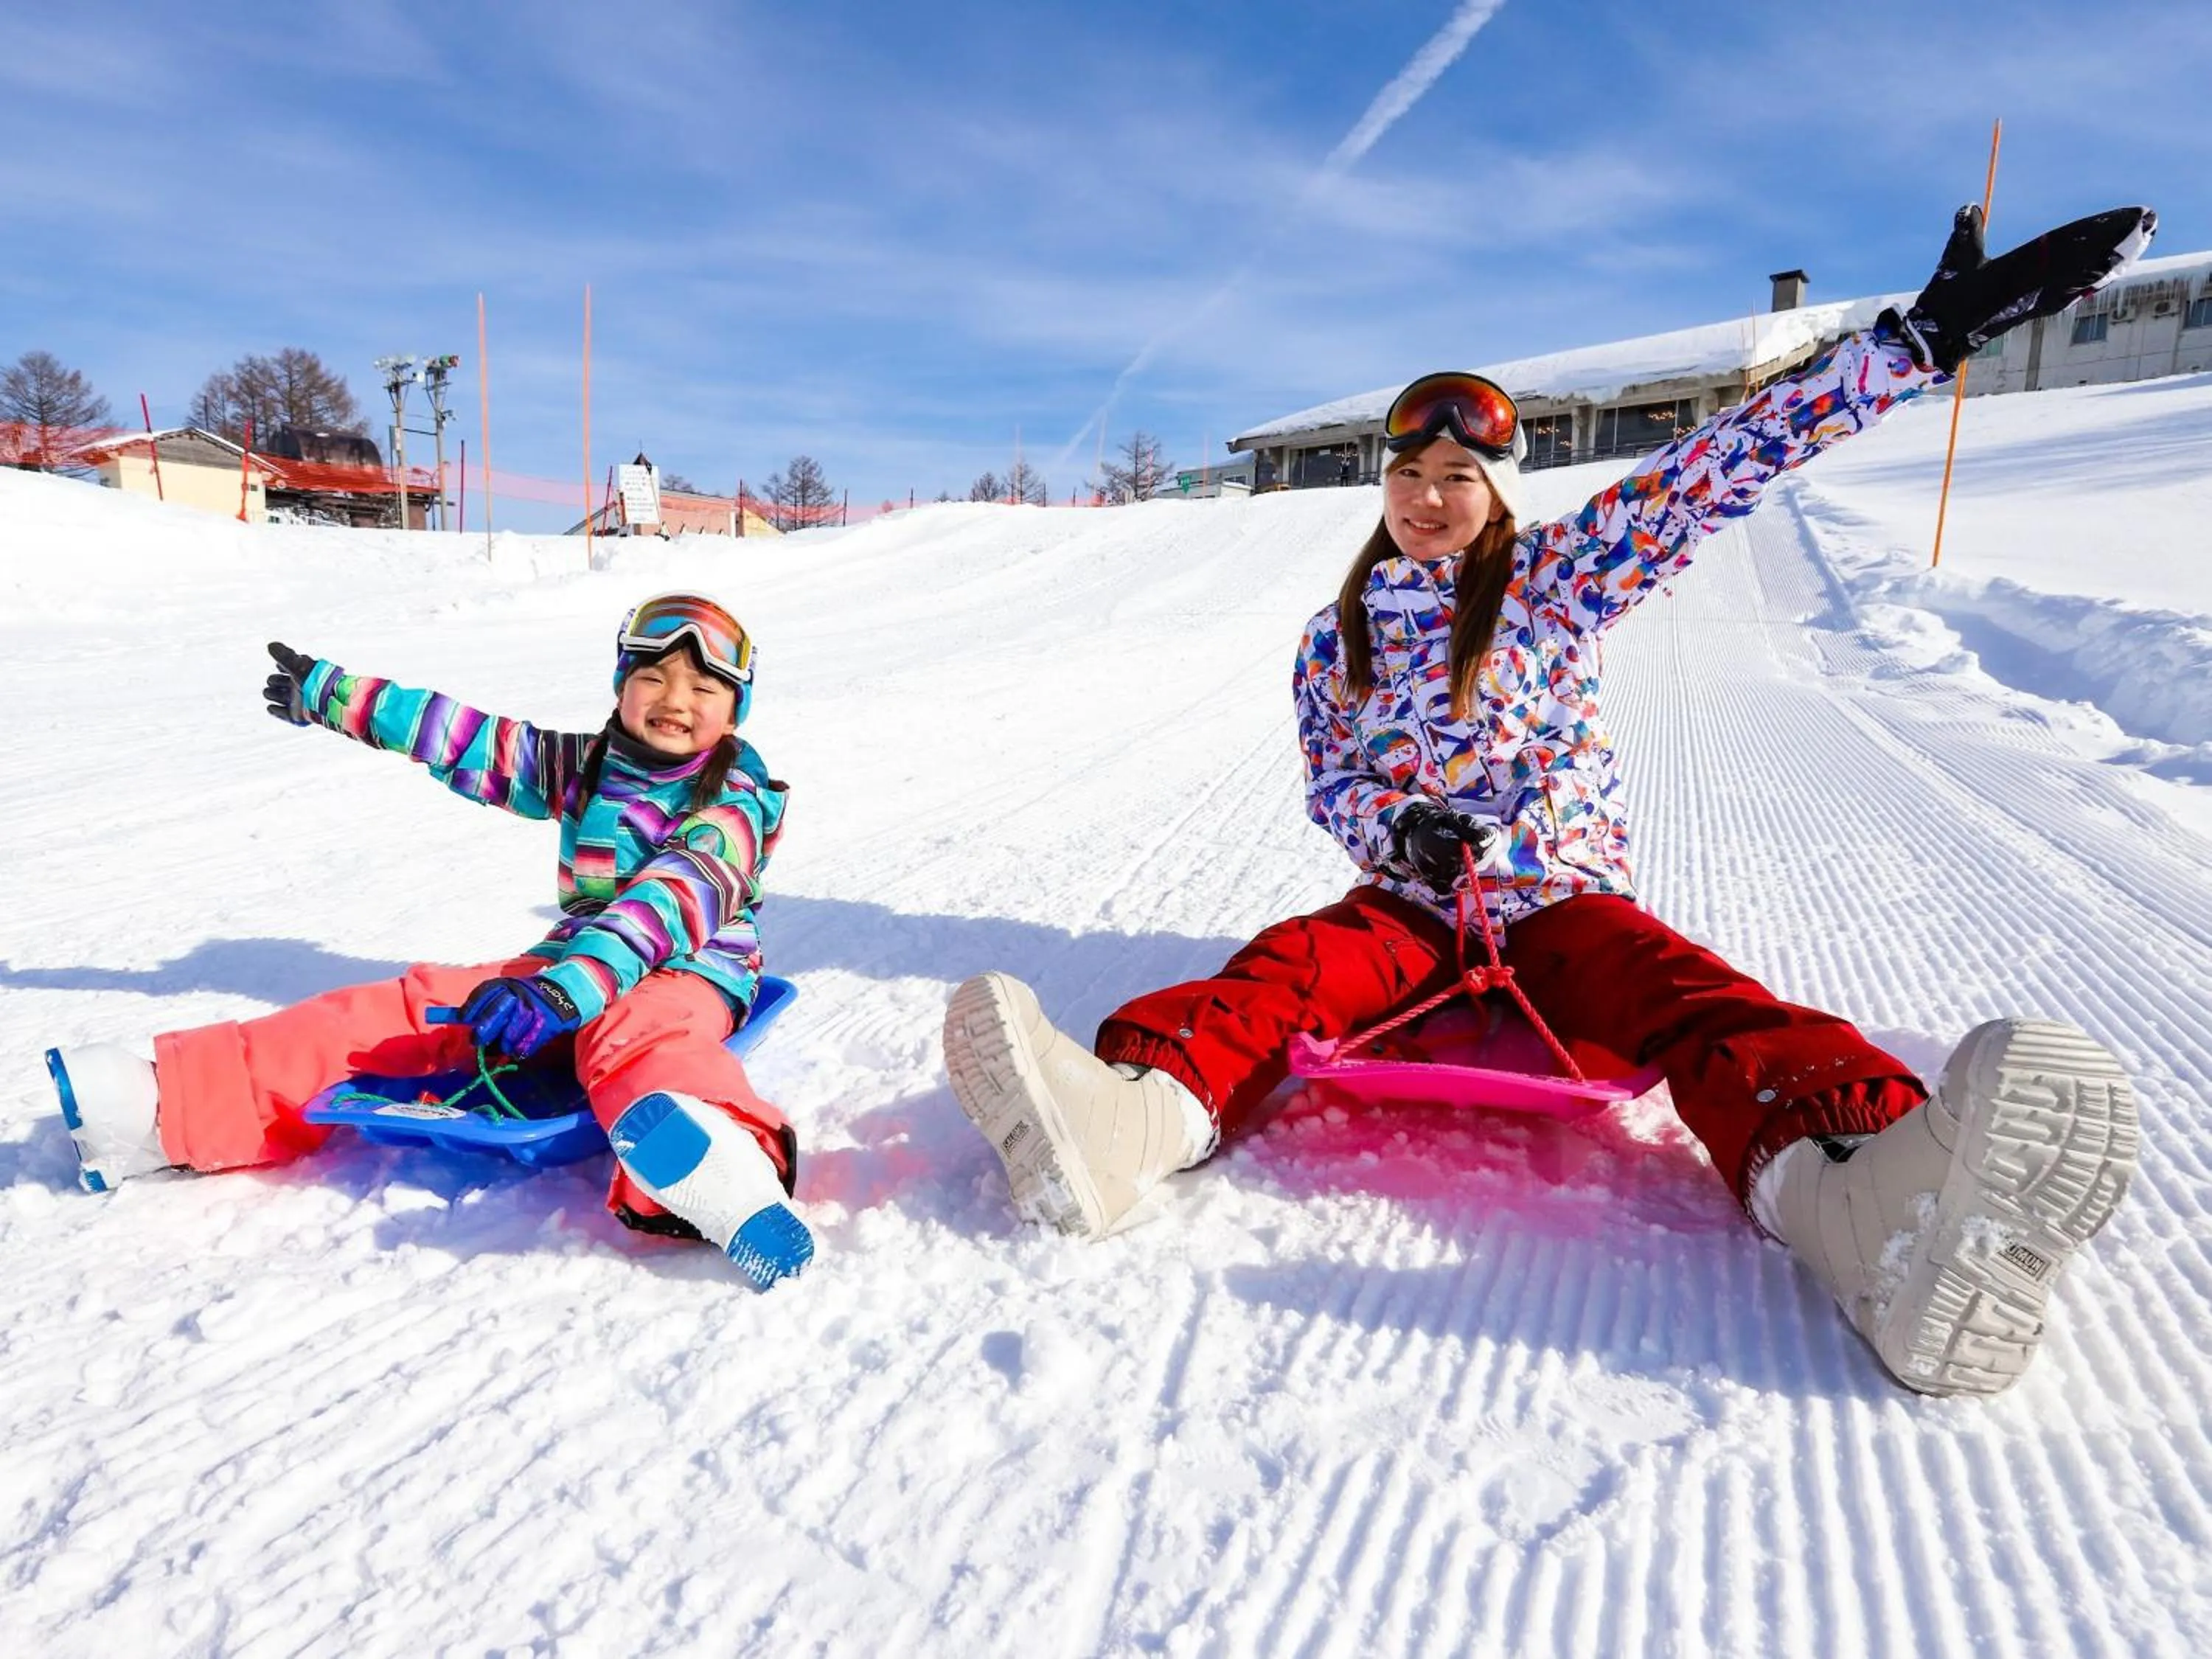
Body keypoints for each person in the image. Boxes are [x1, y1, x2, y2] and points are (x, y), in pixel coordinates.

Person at [942, 204, 2154, 1397]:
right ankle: (1133, 1125)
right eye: (1408, 472)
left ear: (1501, 488)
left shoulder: (1559, 585)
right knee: (1289, 971)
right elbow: (1335, 778)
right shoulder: (1338, 638)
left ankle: (1866, 1204)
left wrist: (1915, 344)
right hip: (1414, 909)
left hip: (1556, 902)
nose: (1427, 496)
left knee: (1695, 1002)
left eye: (1458, 474)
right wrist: (1393, 828)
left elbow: (1721, 463)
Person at [50, 591, 813, 1290]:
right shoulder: (587, 766)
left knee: (637, 1039)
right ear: (621, 686)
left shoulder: (735, 805)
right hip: (569, 969)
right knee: (416, 1007)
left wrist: (562, 990)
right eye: (654, 678)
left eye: (703, 689)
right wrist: (337, 699)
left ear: (734, 715)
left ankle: (721, 1166)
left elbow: (667, 903)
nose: (675, 701)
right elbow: (472, 742)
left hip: (686, 972)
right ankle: (166, 1104)